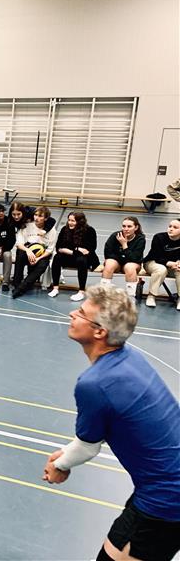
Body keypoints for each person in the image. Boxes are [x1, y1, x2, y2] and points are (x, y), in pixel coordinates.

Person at [43, 285, 180, 561]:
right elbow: (105, 428)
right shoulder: (131, 357)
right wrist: (67, 454)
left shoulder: (94, 383)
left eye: (81, 312)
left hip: (167, 498)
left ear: (99, 332)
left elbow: (88, 447)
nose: (72, 314)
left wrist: (60, 466)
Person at [48, 211, 99, 302]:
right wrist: (76, 250)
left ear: (80, 222)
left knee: (81, 260)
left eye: (73, 221)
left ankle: (81, 291)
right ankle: (55, 288)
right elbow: (59, 247)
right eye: (69, 220)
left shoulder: (89, 230)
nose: (70, 223)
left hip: (86, 259)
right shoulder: (65, 229)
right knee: (57, 258)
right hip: (70, 256)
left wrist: (69, 249)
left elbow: (90, 249)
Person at [11, 206, 57, 298]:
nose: (37, 218)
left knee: (42, 265)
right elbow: (19, 243)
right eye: (35, 215)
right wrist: (28, 250)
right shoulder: (27, 226)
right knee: (20, 254)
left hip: (42, 254)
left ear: (46, 218)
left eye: (40, 216)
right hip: (27, 250)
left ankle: (21, 288)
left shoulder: (52, 231)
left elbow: (50, 250)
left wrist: (38, 258)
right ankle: (17, 283)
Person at [100, 216, 146, 298]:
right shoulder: (115, 236)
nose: (126, 229)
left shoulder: (140, 239)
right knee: (109, 263)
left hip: (132, 264)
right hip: (117, 264)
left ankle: (131, 297)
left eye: (129, 226)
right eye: (124, 226)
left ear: (136, 227)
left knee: (129, 267)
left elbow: (135, 258)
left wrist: (124, 245)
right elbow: (108, 253)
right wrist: (123, 258)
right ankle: (103, 295)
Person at [142, 218, 180, 309]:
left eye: (175, 227)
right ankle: (151, 296)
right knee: (161, 269)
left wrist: (179, 262)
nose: (171, 229)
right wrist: (169, 263)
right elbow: (157, 256)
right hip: (153, 262)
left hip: (173, 265)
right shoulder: (159, 237)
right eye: (170, 226)